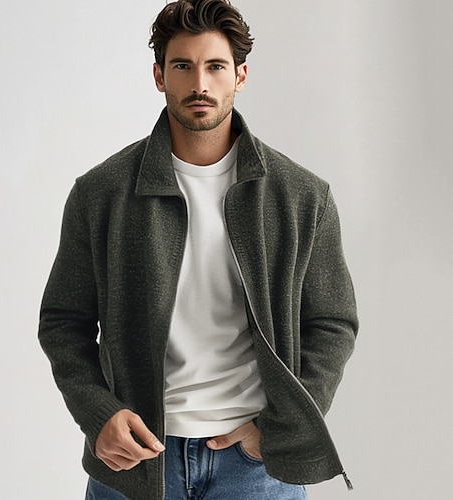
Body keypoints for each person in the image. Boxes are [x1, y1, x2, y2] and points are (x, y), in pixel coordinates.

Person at [38, 0, 358, 498]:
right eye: (183, 66)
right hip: (137, 460)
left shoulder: (300, 197)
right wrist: (98, 414)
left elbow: (333, 323)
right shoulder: (100, 194)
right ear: (159, 76)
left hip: (255, 470)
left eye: (216, 66)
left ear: (240, 76)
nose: (200, 84)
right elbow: (63, 322)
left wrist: (276, 431)